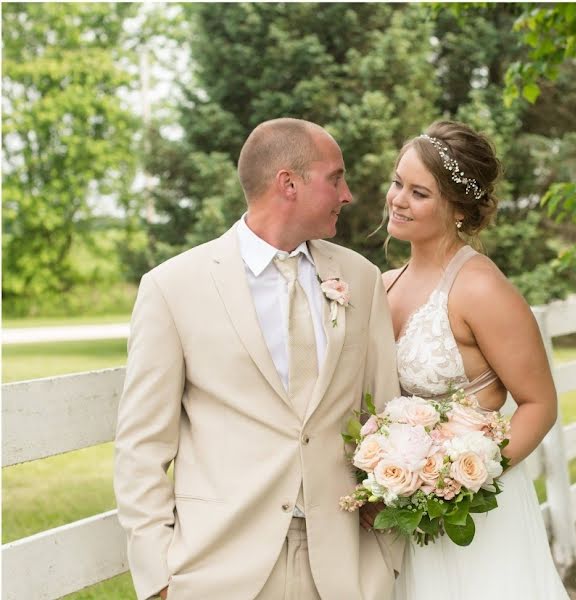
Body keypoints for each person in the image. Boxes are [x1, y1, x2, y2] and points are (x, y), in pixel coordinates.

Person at [114, 118, 403, 600]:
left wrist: (386, 555)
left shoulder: (361, 277)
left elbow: (384, 412)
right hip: (219, 566)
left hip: (344, 567)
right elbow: (141, 445)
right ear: (288, 183)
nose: (347, 193)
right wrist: (158, 578)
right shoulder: (173, 287)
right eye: (336, 178)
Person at [380, 121, 570, 599]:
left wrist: (457, 482)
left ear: (459, 209)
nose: (398, 199)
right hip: (401, 514)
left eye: (419, 193)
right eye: (397, 182)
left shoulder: (480, 288)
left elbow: (539, 404)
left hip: (473, 516)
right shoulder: (382, 285)